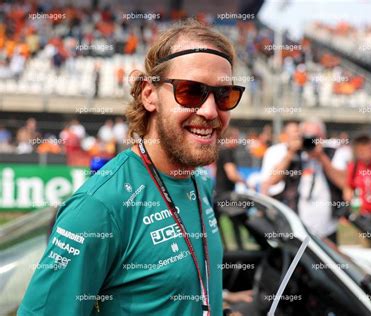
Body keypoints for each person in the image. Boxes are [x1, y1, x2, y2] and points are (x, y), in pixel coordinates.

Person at [19, 20, 245, 316]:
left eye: (224, 95)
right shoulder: (99, 207)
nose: (210, 111)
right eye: (191, 92)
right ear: (148, 94)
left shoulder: (199, 182)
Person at [297, 120, 350, 244]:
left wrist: (321, 157)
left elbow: (343, 183)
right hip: (298, 225)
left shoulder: (333, 153)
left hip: (327, 227)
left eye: (314, 137)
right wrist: (291, 153)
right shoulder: (295, 155)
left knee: (326, 262)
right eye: (306, 136)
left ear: (323, 137)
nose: (310, 141)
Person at [260, 121, 303, 212]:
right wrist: (290, 153)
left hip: (301, 202)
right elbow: (269, 181)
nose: (298, 135)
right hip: (279, 200)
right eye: (295, 132)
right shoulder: (274, 151)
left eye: (299, 132)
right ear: (285, 135)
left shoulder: (306, 153)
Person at [215, 126, 245, 199]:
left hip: (220, 193)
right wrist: (246, 182)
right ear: (231, 138)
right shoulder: (227, 152)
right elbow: (232, 175)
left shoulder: (221, 150)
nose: (238, 140)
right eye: (236, 137)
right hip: (225, 195)